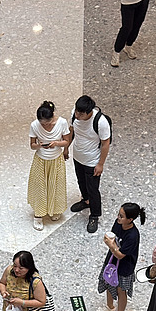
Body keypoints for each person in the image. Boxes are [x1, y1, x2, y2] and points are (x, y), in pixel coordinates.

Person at [67, 96, 113, 232]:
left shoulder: (101, 122)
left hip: (92, 161)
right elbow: (71, 131)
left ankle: (94, 215)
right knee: (81, 182)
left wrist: (100, 164)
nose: (77, 115)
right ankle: (85, 201)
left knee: (93, 189)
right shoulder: (75, 114)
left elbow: (105, 143)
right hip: (78, 157)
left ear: (89, 112)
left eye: (81, 114)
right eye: (76, 112)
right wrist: (66, 148)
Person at [94, 200, 144, 311]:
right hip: (112, 261)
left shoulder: (133, 236)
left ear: (130, 219)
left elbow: (121, 255)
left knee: (121, 290)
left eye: (122, 216)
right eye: (118, 214)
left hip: (124, 267)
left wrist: (111, 246)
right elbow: (113, 237)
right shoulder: (118, 223)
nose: (118, 218)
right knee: (108, 282)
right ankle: (110, 307)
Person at [25, 100, 70, 230]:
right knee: (40, 187)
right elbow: (32, 145)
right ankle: (38, 215)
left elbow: (66, 141)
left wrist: (56, 143)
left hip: (56, 160)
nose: (45, 125)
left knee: (55, 185)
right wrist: (40, 145)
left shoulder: (62, 122)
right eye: (42, 123)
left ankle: (54, 209)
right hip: (41, 160)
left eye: (48, 122)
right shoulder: (34, 125)